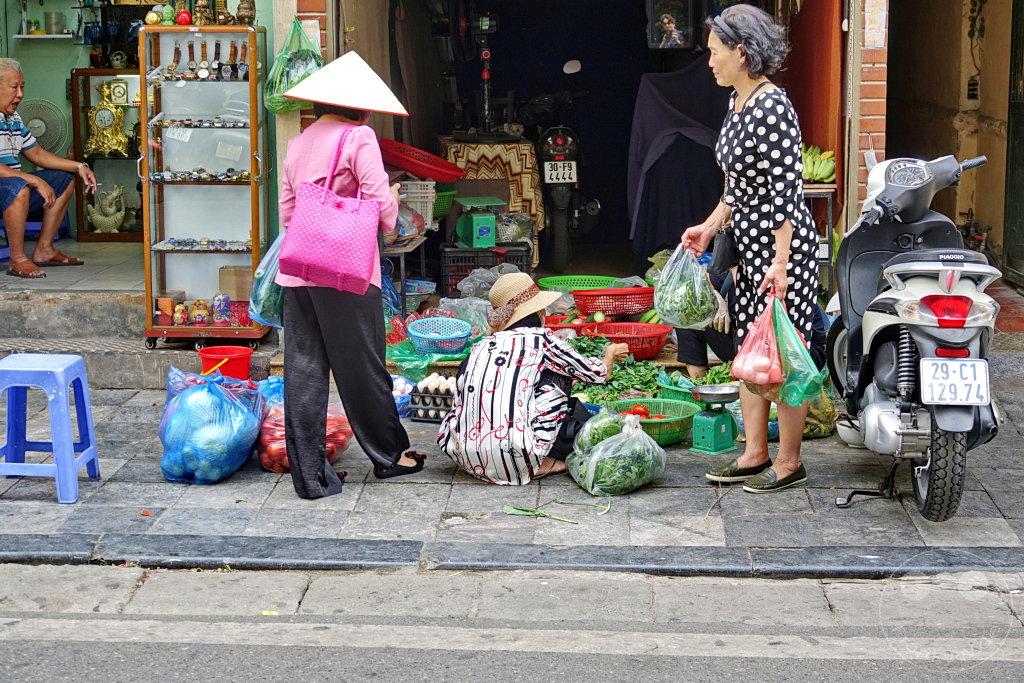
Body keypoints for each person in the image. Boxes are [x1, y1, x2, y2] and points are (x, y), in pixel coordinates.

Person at [275, 53, 425, 499]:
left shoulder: (298, 143)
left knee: (303, 372)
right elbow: (386, 216)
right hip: (347, 273)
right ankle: (388, 456)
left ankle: (310, 475)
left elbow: (288, 215)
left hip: (299, 270)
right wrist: (394, 197)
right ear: (361, 107)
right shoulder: (360, 137)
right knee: (363, 368)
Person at [682, 6, 818, 493]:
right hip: (750, 250)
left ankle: (788, 460)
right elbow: (736, 188)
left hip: (783, 253)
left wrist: (781, 265)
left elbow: (786, 192)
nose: (710, 61)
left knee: (782, 351)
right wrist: (709, 225)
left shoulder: (771, 106)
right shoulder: (737, 105)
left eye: (716, 52)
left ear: (742, 52)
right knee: (750, 349)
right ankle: (754, 452)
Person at [438, 273, 630, 485]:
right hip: (513, 461)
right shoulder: (541, 340)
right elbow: (599, 374)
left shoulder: (479, 346)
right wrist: (610, 353)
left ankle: (497, 453)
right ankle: (541, 461)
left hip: (464, 455)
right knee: (559, 375)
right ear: (538, 310)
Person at [0, 58, 97, 278]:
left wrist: (79, 166)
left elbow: (36, 153)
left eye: (22, 87)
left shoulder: (13, 118)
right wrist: (33, 179)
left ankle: (44, 250)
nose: (20, 94)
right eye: (14, 87)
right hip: (10, 189)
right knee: (19, 186)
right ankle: (17, 259)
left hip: (13, 188)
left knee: (65, 179)